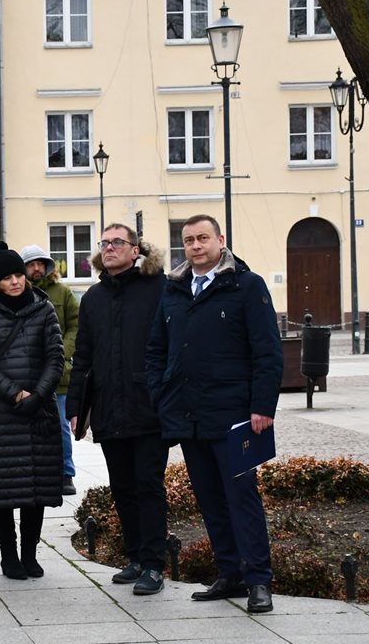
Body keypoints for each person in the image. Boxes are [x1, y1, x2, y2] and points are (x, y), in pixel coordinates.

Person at [145, 214, 282, 614]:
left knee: (242, 498)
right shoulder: (174, 289)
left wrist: (262, 406)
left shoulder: (246, 285)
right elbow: (156, 349)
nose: (196, 246)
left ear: (220, 240)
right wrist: (160, 394)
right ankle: (230, 572)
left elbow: (267, 351)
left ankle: (259, 579)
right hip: (189, 416)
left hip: (235, 415)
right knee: (209, 499)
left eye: (203, 238)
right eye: (189, 240)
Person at [66, 225, 169, 595]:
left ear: (135, 250)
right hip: (109, 405)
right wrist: (77, 407)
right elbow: (83, 356)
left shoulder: (158, 288)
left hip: (148, 404)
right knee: (122, 487)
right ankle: (136, 557)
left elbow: (172, 344)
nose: (109, 248)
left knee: (148, 485)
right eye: (105, 243)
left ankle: (154, 565)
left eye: (118, 242)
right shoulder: (93, 297)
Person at [0, 250, 64, 579]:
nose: (15, 282)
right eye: (7, 277)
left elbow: (55, 357)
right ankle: (8, 555)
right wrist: (15, 393)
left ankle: (30, 553)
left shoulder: (44, 309)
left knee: (36, 489)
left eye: (18, 275)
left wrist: (38, 395)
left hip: (38, 410)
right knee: (3, 490)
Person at [20, 244, 80, 496]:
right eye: (31, 264)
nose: (36, 268)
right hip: (29, 372)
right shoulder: (19, 293)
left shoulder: (62, 292)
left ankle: (66, 473)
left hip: (59, 373)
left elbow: (76, 325)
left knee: (61, 426)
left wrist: (62, 352)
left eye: (40, 264)